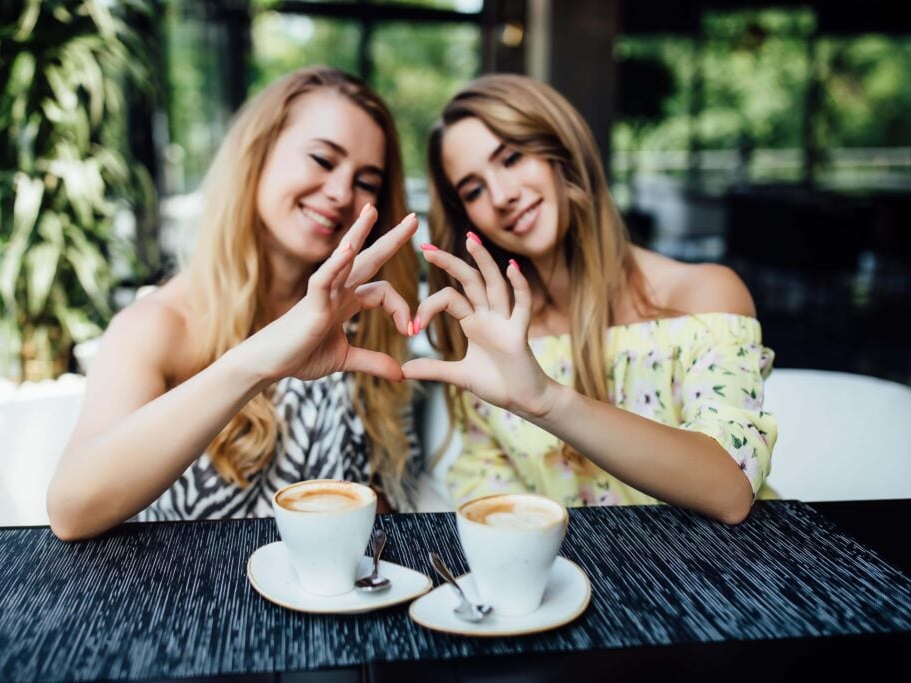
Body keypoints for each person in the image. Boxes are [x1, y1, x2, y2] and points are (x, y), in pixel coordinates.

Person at [47, 67, 421, 540]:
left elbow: (380, 499)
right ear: (256, 155)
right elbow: (71, 510)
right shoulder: (157, 325)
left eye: (367, 181)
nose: (342, 193)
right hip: (187, 603)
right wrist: (257, 362)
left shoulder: (364, 319)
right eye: (323, 160)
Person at [404, 74, 777, 524]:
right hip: (580, 583)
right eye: (474, 190)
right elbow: (488, 485)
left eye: (513, 157)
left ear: (563, 151)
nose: (502, 196)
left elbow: (729, 489)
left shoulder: (702, 296)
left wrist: (547, 400)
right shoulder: (498, 335)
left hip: (734, 576)